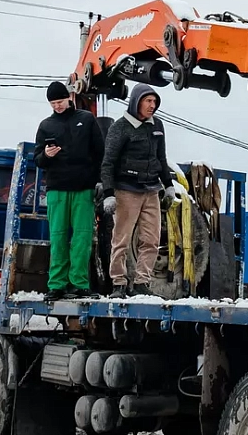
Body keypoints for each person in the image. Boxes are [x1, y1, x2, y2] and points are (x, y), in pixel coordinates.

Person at [100, 82, 181, 297]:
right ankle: (118, 283)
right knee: (122, 239)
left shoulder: (157, 125)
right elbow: (107, 163)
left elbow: (161, 158)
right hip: (126, 189)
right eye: (148, 101)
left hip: (151, 189)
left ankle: (141, 283)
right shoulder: (120, 127)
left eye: (154, 101)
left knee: (151, 239)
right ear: (137, 101)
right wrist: (109, 194)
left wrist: (169, 186)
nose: (152, 105)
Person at [34, 81, 105, 299]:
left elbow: (99, 152)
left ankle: (79, 283)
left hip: (83, 188)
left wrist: (99, 182)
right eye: (53, 103)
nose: (57, 106)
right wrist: (47, 155)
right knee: (58, 238)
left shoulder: (86, 119)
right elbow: (38, 159)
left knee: (82, 238)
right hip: (57, 189)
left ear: (69, 97)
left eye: (60, 101)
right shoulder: (46, 125)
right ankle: (56, 284)